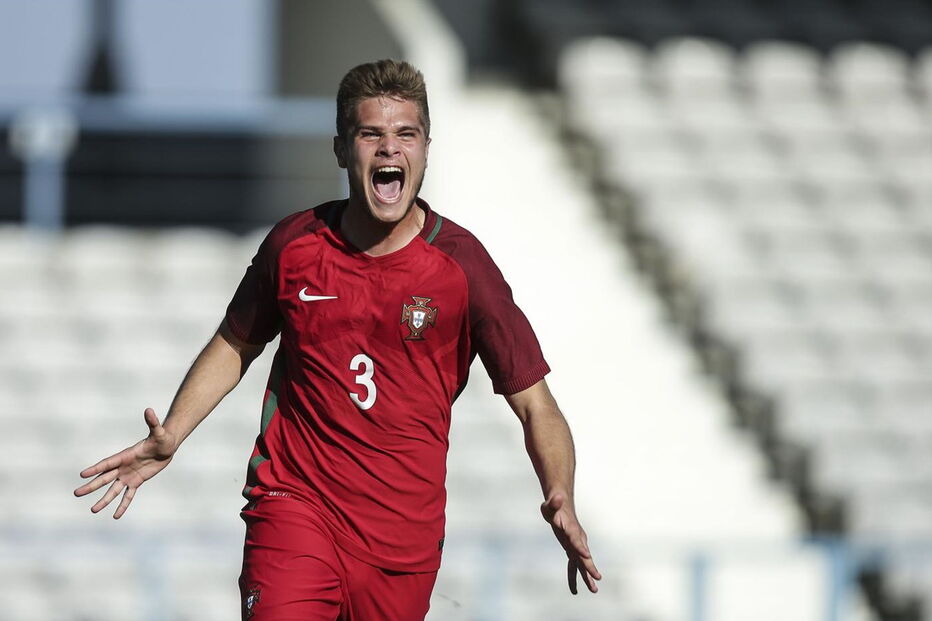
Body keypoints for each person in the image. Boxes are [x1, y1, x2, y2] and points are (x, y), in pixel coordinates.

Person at [74, 59, 600, 620]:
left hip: (402, 544)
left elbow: (535, 404)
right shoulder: (294, 246)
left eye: (406, 135)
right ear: (341, 148)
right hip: (295, 507)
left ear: (426, 148)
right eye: (370, 134)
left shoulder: (462, 267)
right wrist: (172, 433)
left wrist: (560, 491)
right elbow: (235, 344)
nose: (389, 149)